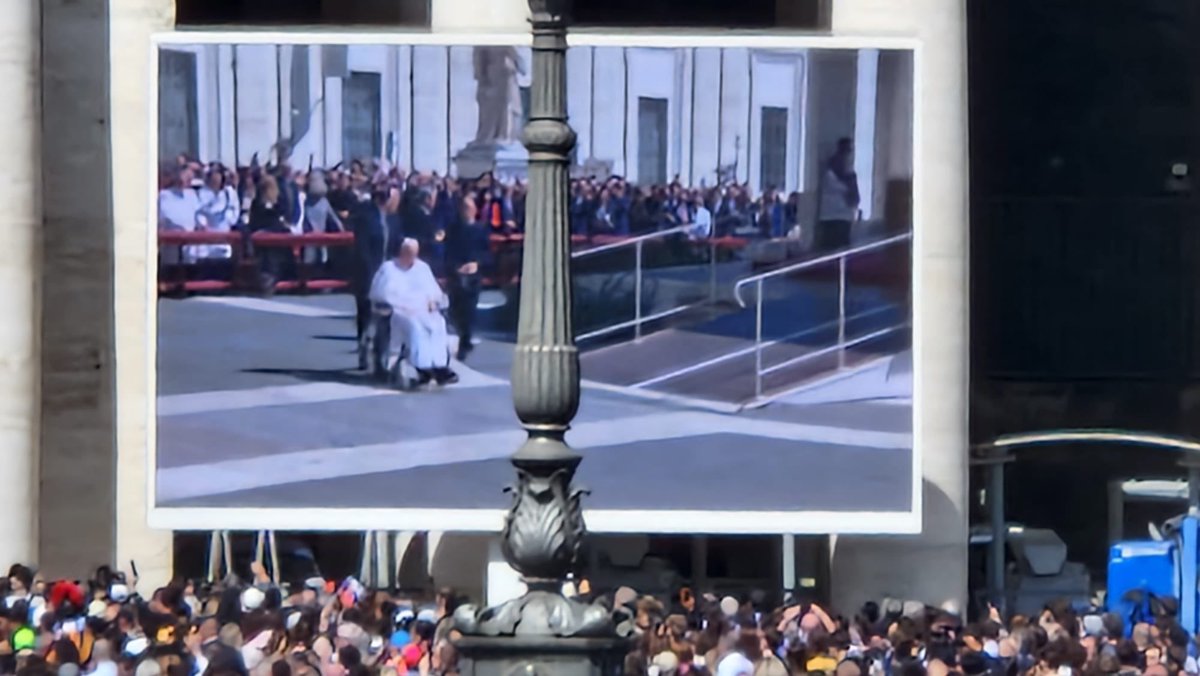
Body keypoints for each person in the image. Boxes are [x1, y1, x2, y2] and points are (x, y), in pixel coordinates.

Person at [369, 239, 458, 386]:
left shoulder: (422, 268)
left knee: (438, 325)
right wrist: (399, 305)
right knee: (415, 327)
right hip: (400, 311)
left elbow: (434, 291)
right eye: (409, 254)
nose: (412, 258)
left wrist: (433, 301)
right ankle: (423, 366)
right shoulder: (389, 268)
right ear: (402, 252)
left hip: (423, 309)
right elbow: (380, 294)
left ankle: (439, 366)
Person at [352, 185, 402, 371]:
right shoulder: (366, 218)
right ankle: (363, 349)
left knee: (386, 316)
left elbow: (397, 245)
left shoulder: (394, 220)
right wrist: (371, 272)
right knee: (365, 315)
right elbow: (362, 248)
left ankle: (381, 356)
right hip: (368, 273)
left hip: (388, 274)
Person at [444, 195, 491, 363]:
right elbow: (447, 251)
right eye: (464, 207)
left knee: (469, 310)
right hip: (456, 274)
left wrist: (477, 264)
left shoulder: (480, 230)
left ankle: (465, 341)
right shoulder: (453, 229)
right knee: (456, 309)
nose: (467, 211)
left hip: (473, 275)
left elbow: (487, 254)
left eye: (469, 208)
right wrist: (456, 267)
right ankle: (463, 334)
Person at [815, 137, 861, 252]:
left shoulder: (847, 172)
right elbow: (850, 192)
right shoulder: (831, 174)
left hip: (842, 216)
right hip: (833, 217)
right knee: (833, 249)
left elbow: (854, 196)